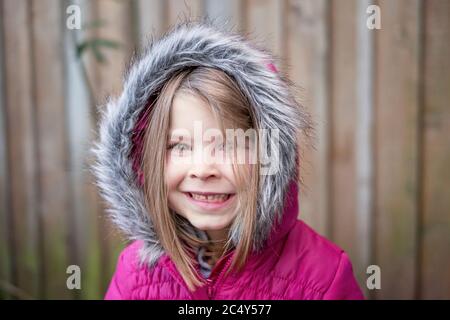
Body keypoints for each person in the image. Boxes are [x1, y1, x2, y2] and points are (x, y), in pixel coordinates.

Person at [91, 20, 364, 300]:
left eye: (229, 144)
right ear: (143, 163)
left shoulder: (324, 277)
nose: (203, 169)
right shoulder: (134, 274)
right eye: (178, 146)